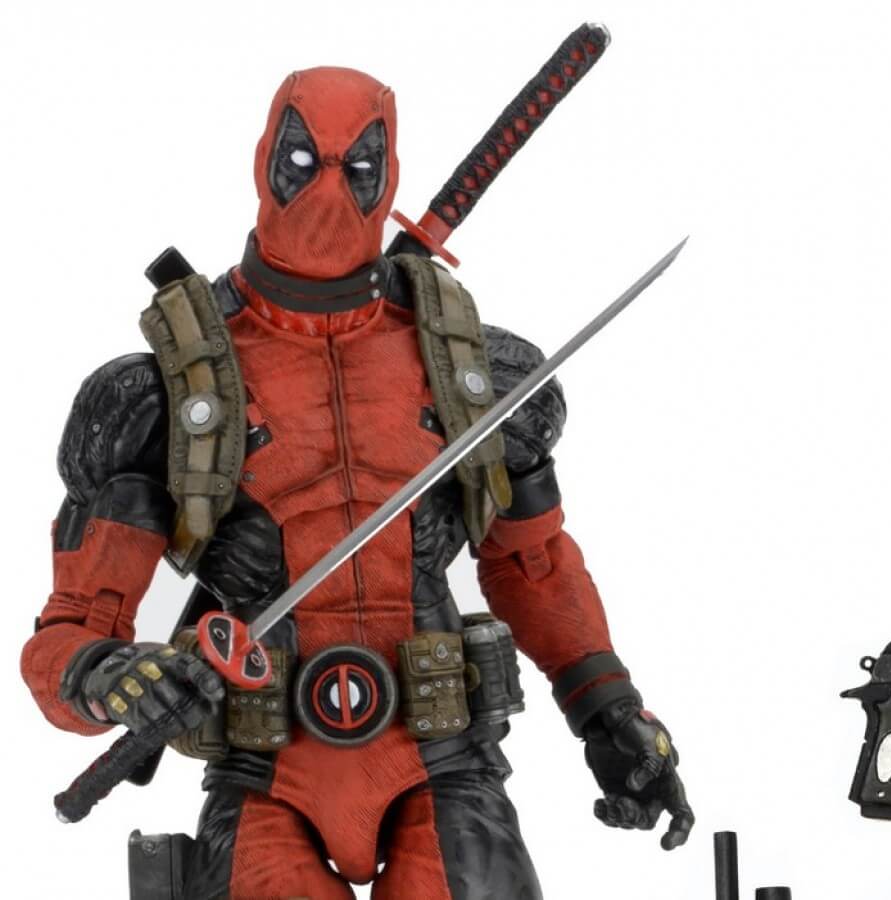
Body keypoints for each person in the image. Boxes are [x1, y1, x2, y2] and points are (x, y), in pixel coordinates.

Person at [20, 66, 691, 900]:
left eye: (359, 167)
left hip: (441, 761)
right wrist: (112, 677)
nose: (329, 188)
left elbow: (534, 564)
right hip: (266, 768)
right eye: (303, 162)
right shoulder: (157, 395)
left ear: (389, 176)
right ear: (266, 160)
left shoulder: (478, 376)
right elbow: (69, 631)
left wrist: (611, 713)